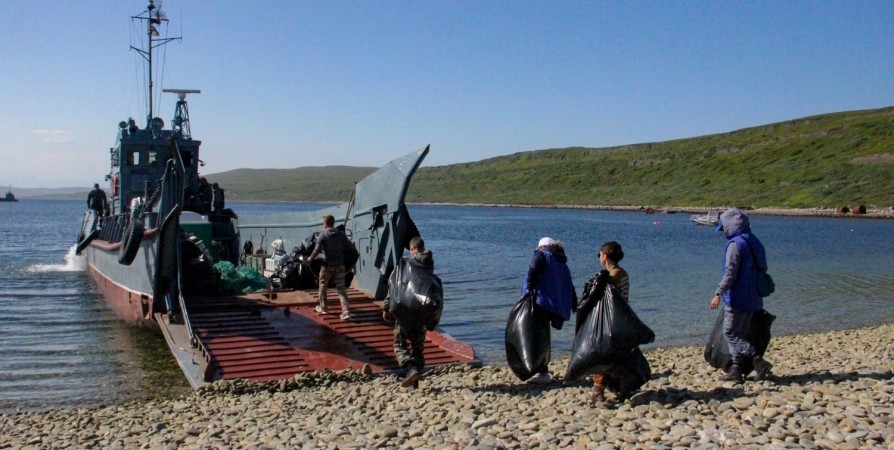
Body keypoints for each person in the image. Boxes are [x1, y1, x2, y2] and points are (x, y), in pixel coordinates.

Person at [710, 207, 773, 383]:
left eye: (724, 227)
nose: (723, 231)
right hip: (755, 295)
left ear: (731, 225)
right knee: (740, 333)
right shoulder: (754, 241)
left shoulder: (735, 245)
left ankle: (757, 361)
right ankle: (736, 370)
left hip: (738, 296)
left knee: (730, 333)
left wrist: (718, 293)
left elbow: (730, 273)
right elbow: (762, 267)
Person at [521, 237, 577, 384]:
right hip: (553, 306)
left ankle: (542, 372)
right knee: (545, 336)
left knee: (536, 337)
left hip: (540, 302)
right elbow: (569, 284)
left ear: (541, 247)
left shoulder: (541, 256)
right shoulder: (561, 261)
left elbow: (530, 274)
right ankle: (542, 370)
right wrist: (573, 303)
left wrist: (525, 296)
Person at [382, 236, 435, 388]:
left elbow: (394, 286)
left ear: (411, 249)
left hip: (406, 311)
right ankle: (415, 382)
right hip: (423, 312)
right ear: (422, 248)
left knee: (399, 344)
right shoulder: (429, 266)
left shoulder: (405, 264)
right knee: (417, 347)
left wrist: (386, 308)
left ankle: (410, 368)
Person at [584, 241, 630, 403]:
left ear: (605, 256)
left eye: (599, 254)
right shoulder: (621, 272)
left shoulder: (613, 276)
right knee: (611, 356)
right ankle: (618, 386)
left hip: (611, 321)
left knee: (602, 355)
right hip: (619, 320)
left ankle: (598, 390)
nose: (599, 257)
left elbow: (602, 297)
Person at [309, 214, 354, 320]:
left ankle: (324, 308)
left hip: (327, 266)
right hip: (340, 266)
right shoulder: (341, 235)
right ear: (333, 223)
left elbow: (317, 250)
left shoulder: (323, 235)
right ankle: (346, 312)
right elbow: (349, 247)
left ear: (325, 223)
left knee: (323, 286)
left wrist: (311, 258)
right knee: (341, 289)